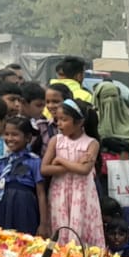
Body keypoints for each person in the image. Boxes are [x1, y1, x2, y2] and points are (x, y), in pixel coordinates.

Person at [40, 100, 103, 247]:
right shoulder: (56, 141)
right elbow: (44, 169)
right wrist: (75, 165)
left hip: (82, 194)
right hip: (60, 192)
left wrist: (60, 160)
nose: (59, 124)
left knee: (80, 228)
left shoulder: (91, 143)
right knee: (59, 227)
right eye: (57, 120)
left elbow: (84, 170)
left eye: (64, 120)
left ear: (79, 122)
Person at [0, 116, 46, 234]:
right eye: (6, 134)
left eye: (14, 135)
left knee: (22, 239)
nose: (9, 138)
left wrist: (43, 224)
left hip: (23, 207)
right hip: (0, 207)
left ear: (28, 138)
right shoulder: (2, 162)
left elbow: (41, 194)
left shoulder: (34, 161)